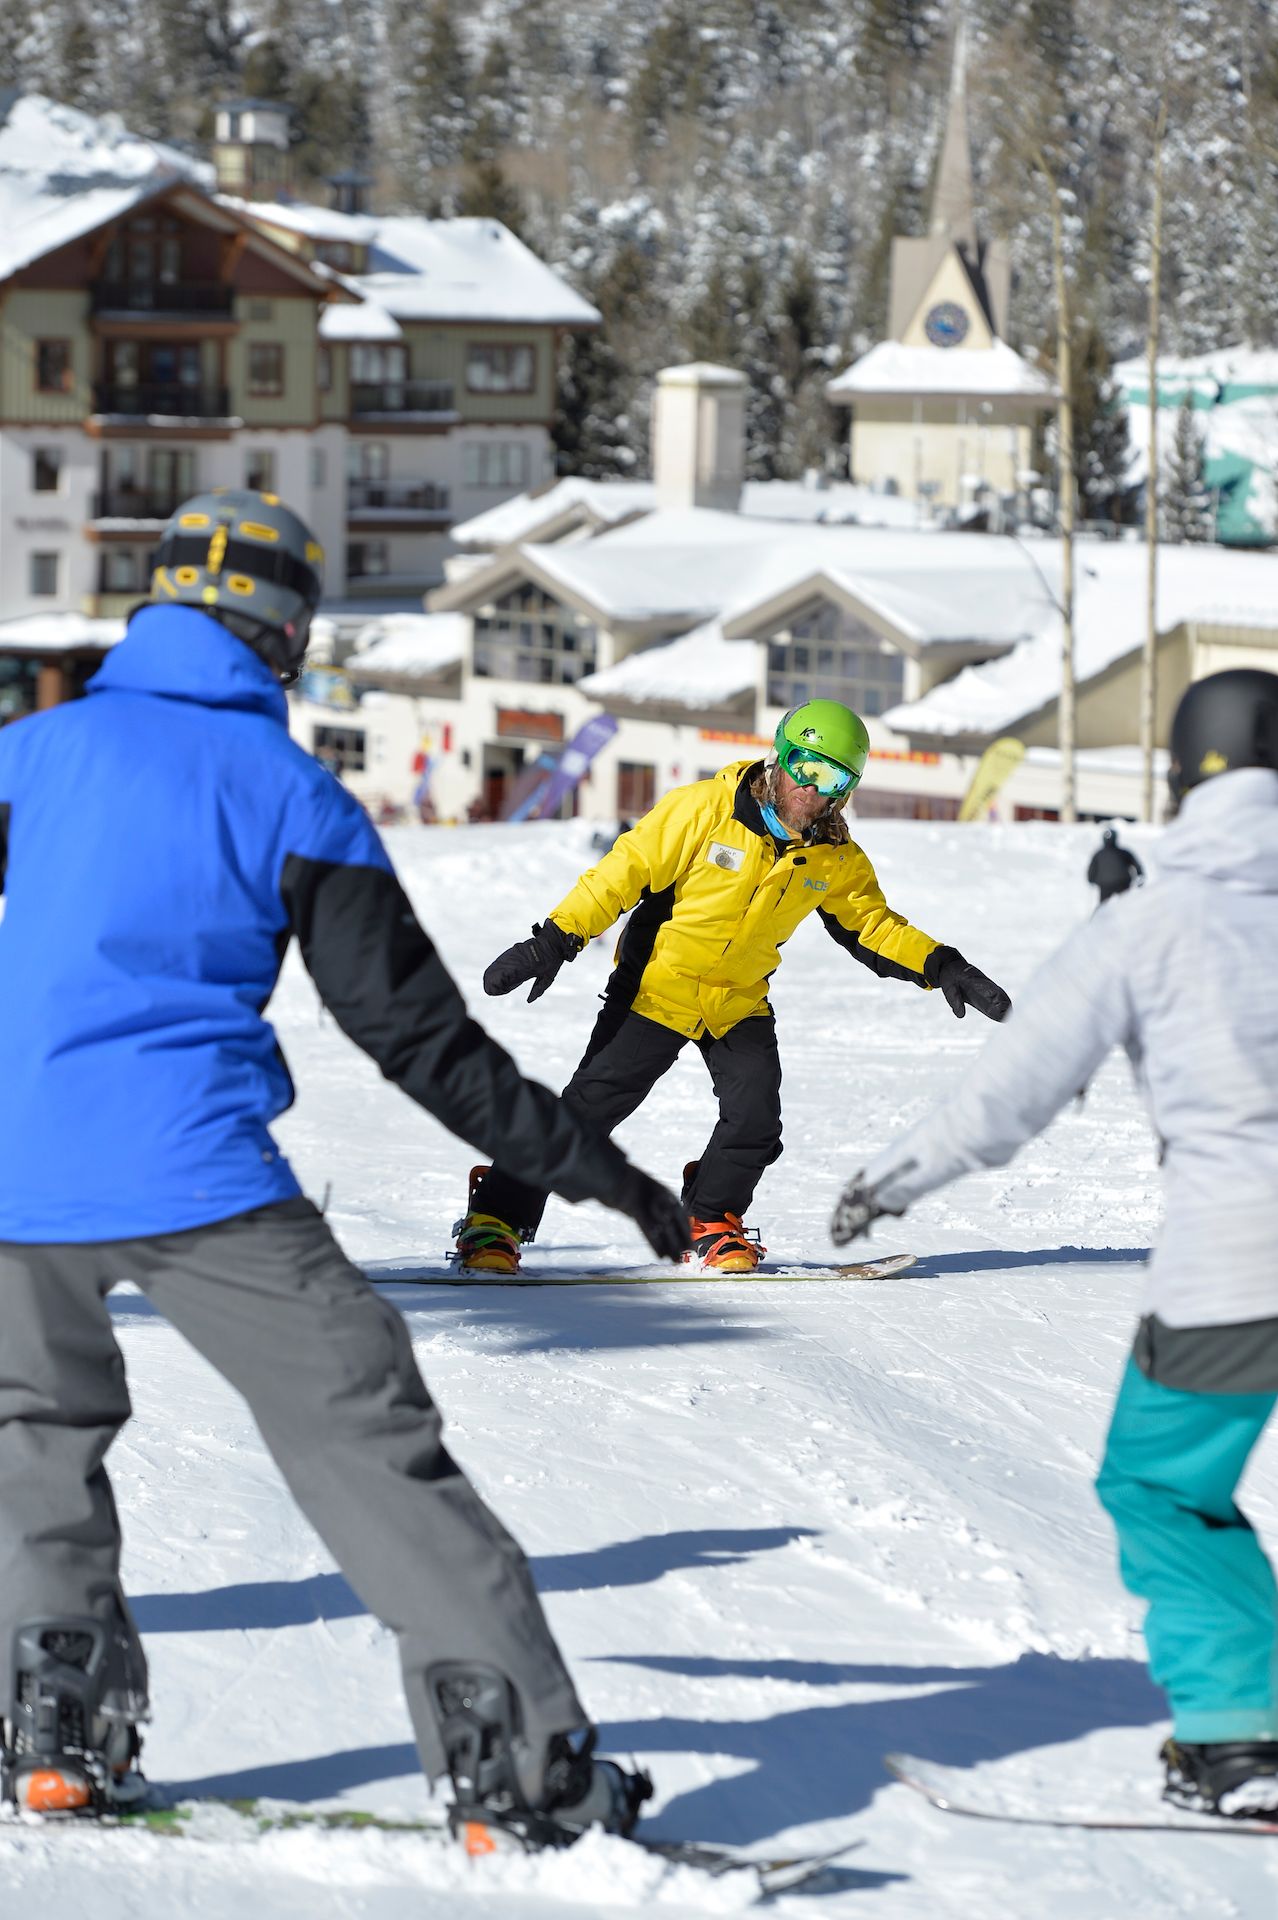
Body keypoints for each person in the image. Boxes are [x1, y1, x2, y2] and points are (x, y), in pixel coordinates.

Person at [0, 489, 688, 1845]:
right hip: (198, 1179)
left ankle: (51, 1727)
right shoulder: (292, 794)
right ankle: (512, 1769)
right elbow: (421, 1042)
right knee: (367, 1436)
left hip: (13, 1181)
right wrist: (599, 1172)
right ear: (283, 636)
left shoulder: (29, 750)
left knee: (31, 1435)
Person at [830, 666, 1278, 1821]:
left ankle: (1239, 1742)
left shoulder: (1151, 922)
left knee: (1163, 1489)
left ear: (1185, 774)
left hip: (1238, 1269)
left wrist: (889, 1185)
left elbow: (1015, 1092)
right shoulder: (1150, 917)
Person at [457, 699, 1010, 1276]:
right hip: (656, 988)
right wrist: (553, 941)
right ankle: (496, 1216)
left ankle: (712, 1216)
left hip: (737, 1000)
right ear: (779, 756)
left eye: (833, 777)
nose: (812, 788)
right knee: (587, 1114)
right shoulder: (704, 810)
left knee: (755, 1119)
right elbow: (621, 874)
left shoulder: (833, 855)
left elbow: (870, 924)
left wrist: (941, 964)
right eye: (804, 765)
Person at [1087, 825, 1144, 904]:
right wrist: (1140, 875)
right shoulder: (1123, 853)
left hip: (1105, 885)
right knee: (1124, 905)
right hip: (1123, 883)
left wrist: (1091, 880)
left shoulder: (1098, 854)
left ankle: (1101, 915)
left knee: (1104, 907)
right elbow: (1136, 865)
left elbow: (1091, 870)